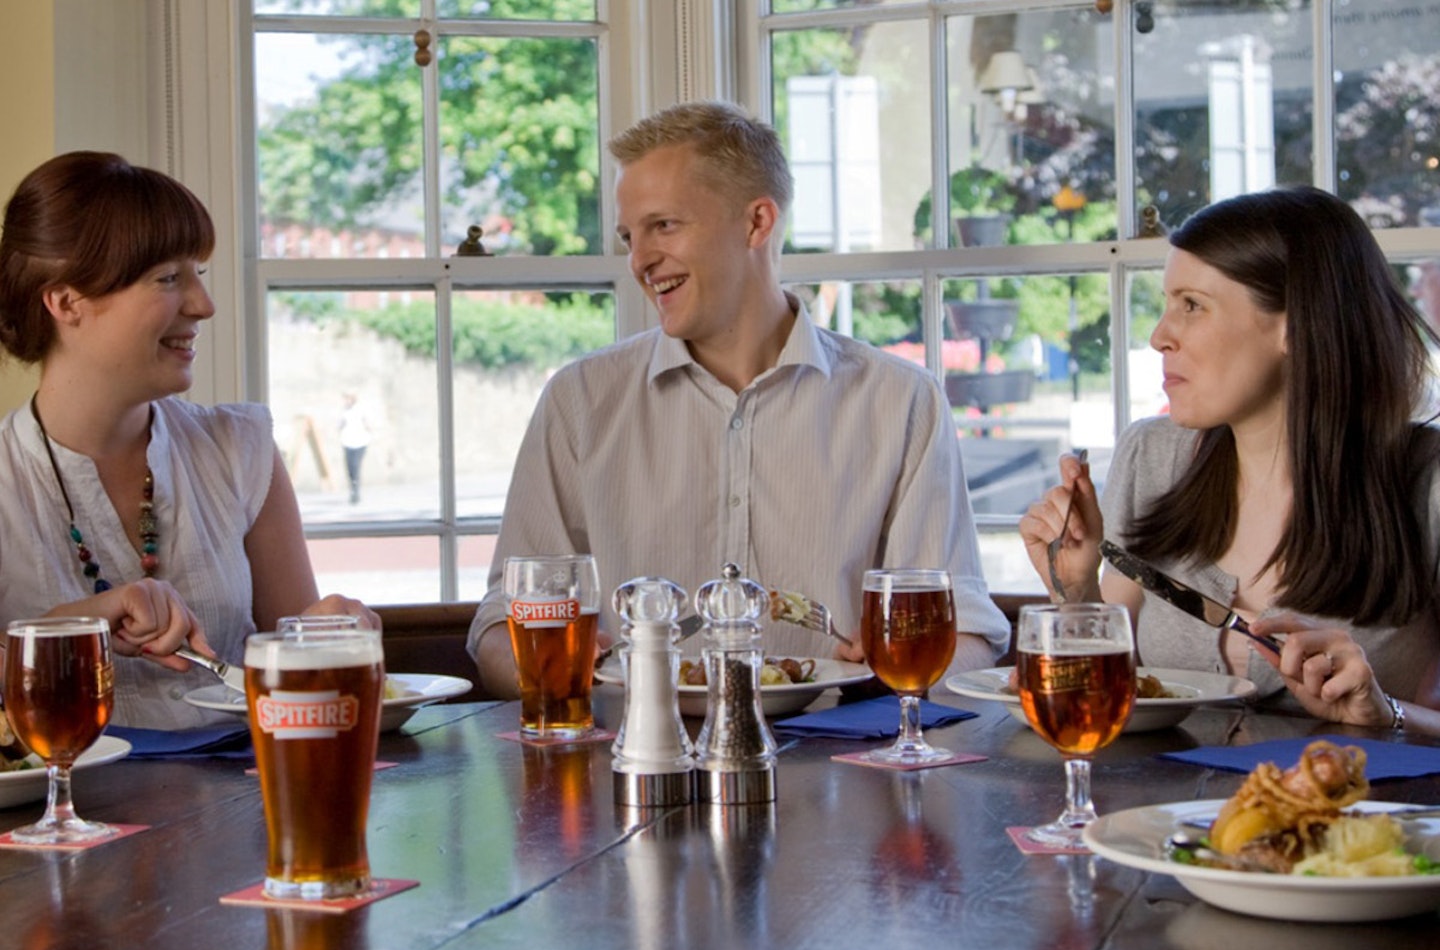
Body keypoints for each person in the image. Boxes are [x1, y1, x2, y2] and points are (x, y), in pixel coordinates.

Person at [468, 101, 1009, 699]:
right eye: (630, 235)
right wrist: (549, 667)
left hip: (840, 767)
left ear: (756, 223)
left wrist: (904, 670)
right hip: (630, 766)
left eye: (664, 226)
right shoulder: (579, 401)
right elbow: (500, 625)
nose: (639, 260)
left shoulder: (901, 402)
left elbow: (969, 632)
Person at [1021, 185, 1440, 736]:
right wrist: (1075, 592)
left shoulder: (1427, 483)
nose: (1159, 336)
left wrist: (1385, 714)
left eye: (1193, 305)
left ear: (1295, 324)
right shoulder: (1153, 456)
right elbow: (1117, 683)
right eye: (1166, 304)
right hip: (1159, 818)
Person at [0, 151, 377, 729]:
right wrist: (87, 621)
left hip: (248, 801)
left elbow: (298, 675)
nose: (204, 304)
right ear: (66, 302)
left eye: (197, 274)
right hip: (68, 813)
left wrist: (330, 633)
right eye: (169, 279)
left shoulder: (240, 448)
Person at [339, 391, 371, 505]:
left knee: (356, 466)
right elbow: (341, 425)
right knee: (350, 468)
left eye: (347, 398)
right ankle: (352, 489)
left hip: (360, 442)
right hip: (348, 442)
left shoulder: (360, 410)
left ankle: (356, 491)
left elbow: (367, 424)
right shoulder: (345, 412)